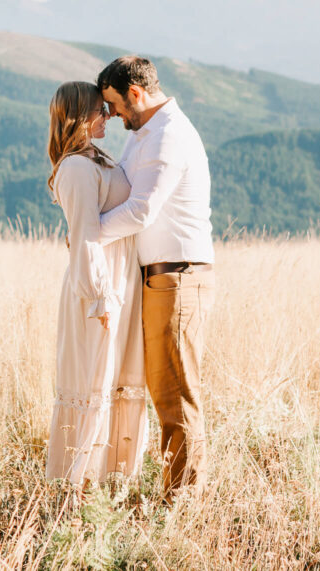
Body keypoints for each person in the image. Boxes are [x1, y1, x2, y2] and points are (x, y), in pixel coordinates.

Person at [95, 56, 215, 500]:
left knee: (176, 395)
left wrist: (88, 233)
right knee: (163, 392)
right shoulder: (144, 134)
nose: (113, 115)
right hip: (159, 279)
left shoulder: (169, 136)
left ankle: (182, 502)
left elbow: (142, 208)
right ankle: (175, 491)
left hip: (178, 279)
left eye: (114, 105)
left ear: (136, 94)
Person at [44, 81, 149, 487]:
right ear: (81, 117)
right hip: (98, 293)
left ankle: (113, 484)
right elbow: (86, 236)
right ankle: (80, 486)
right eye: (100, 111)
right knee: (95, 380)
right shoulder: (75, 168)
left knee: (115, 380)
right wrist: (100, 296)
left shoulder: (98, 158)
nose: (108, 117)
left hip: (119, 283)